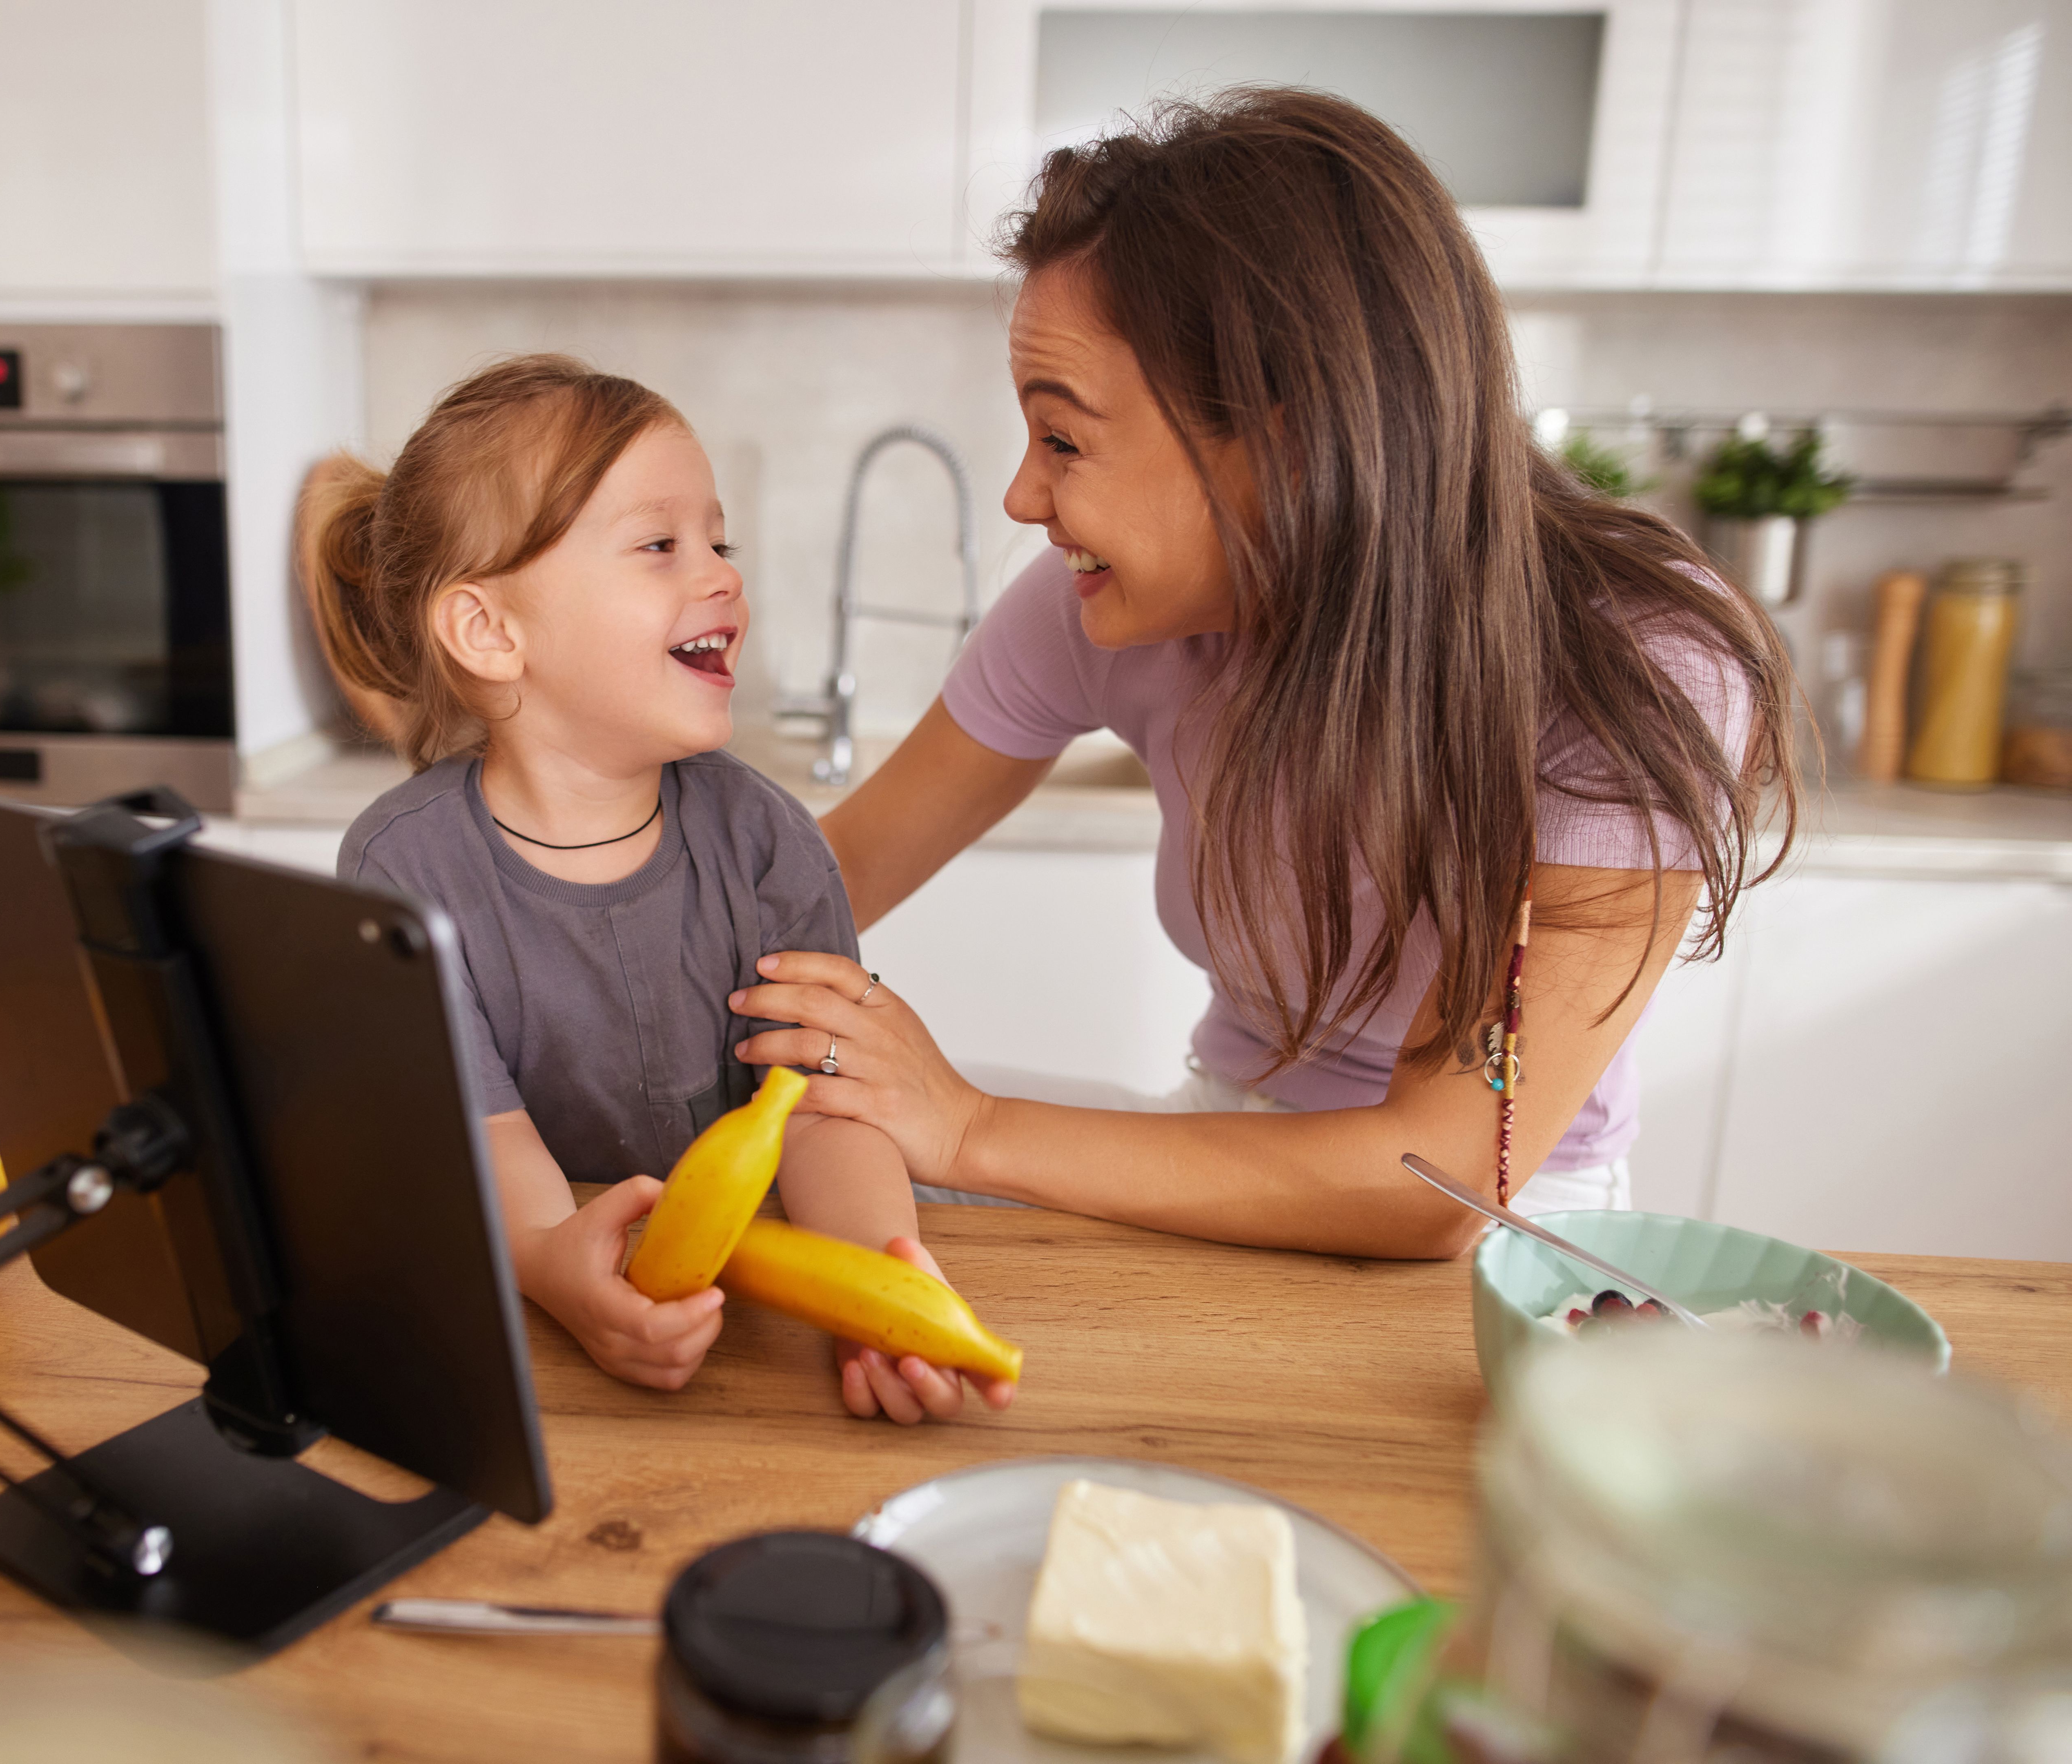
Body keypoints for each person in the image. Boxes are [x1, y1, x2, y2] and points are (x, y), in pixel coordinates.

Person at [733, 92, 1800, 1258]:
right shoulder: (1098, 608)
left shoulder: (1637, 663)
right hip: (1221, 1131)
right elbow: (823, 887)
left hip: (1507, 1228)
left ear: (1288, 438)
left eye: (1065, 441)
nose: (1024, 499)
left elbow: (1438, 1181)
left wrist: (968, 1127)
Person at [302, 356, 1014, 1423]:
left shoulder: (766, 840)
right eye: (659, 546)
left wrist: (877, 1276)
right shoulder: (403, 870)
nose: (723, 575)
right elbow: (481, 1139)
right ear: (491, 632)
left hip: (756, 1309)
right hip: (529, 1335)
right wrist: (554, 1269)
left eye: (719, 542)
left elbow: (826, 1105)